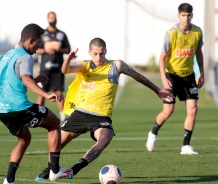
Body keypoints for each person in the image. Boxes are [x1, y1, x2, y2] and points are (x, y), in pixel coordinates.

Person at [34, 37, 174, 181]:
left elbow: (138, 76)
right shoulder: (85, 65)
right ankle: (50, 169)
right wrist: (68, 58)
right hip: (80, 114)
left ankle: (74, 169)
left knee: (105, 139)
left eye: (101, 53)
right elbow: (65, 70)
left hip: (101, 117)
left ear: (106, 51)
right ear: (89, 52)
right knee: (56, 143)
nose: (98, 57)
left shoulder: (116, 65)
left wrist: (157, 90)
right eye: (95, 54)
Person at [0, 23, 72, 184]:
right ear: (30, 40)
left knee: (24, 139)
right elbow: (25, 79)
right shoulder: (25, 57)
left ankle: (9, 180)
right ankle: (54, 170)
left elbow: (11, 79)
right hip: (20, 108)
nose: (39, 47)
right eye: (38, 42)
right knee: (54, 123)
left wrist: (35, 80)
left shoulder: (5, 56)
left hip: (2, 110)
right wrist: (45, 95)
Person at [145, 3, 204, 155]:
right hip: (172, 76)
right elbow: (162, 58)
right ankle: (153, 133)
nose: (186, 18)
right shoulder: (171, 33)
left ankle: (186, 146)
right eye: (183, 15)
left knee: (193, 109)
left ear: (192, 15)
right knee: (168, 111)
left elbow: (199, 53)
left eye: (188, 15)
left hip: (189, 76)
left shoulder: (197, 32)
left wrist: (201, 74)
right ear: (178, 16)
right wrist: (164, 79)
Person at [35, 11, 71, 123]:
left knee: (59, 92)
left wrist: (59, 49)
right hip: (45, 69)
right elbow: (36, 49)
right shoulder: (42, 35)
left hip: (58, 68)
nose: (52, 19)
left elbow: (68, 49)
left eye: (54, 17)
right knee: (41, 92)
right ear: (47, 19)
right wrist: (46, 50)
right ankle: (37, 115)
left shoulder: (61, 34)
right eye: (50, 18)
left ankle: (63, 117)